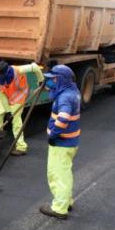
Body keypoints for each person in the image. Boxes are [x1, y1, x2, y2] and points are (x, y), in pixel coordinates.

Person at [40, 65, 80, 220]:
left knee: (57, 176)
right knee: (65, 173)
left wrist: (53, 135)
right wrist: (48, 87)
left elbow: (63, 118)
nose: (50, 82)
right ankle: (66, 201)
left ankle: (59, 208)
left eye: (53, 79)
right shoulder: (72, 91)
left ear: (61, 80)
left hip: (61, 142)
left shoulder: (65, 98)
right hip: (71, 141)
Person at [0, 61, 44, 156]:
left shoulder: (19, 70)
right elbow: (2, 96)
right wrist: (8, 111)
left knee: (16, 121)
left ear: (6, 72)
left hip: (18, 97)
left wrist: (40, 80)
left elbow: (35, 67)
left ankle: (21, 147)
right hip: (5, 97)